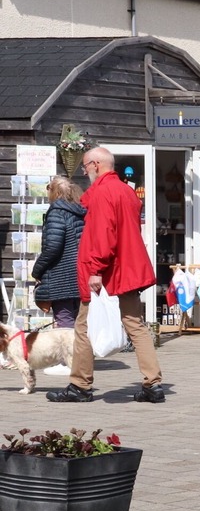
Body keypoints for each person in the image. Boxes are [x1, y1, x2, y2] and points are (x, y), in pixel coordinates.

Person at [48, 146, 164, 403]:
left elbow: (103, 235)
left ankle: (80, 386)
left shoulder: (101, 193)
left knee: (83, 327)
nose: (84, 171)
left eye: (85, 166)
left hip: (106, 272)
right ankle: (153, 383)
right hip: (128, 269)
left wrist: (96, 270)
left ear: (96, 165)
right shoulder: (127, 191)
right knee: (136, 325)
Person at [31, 176, 87, 328]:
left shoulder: (57, 213)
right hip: (80, 273)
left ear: (53, 192)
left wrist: (37, 271)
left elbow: (53, 247)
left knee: (64, 322)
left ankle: (70, 353)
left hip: (61, 276)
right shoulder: (80, 212)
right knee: (79, 323)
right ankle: (81, 352)